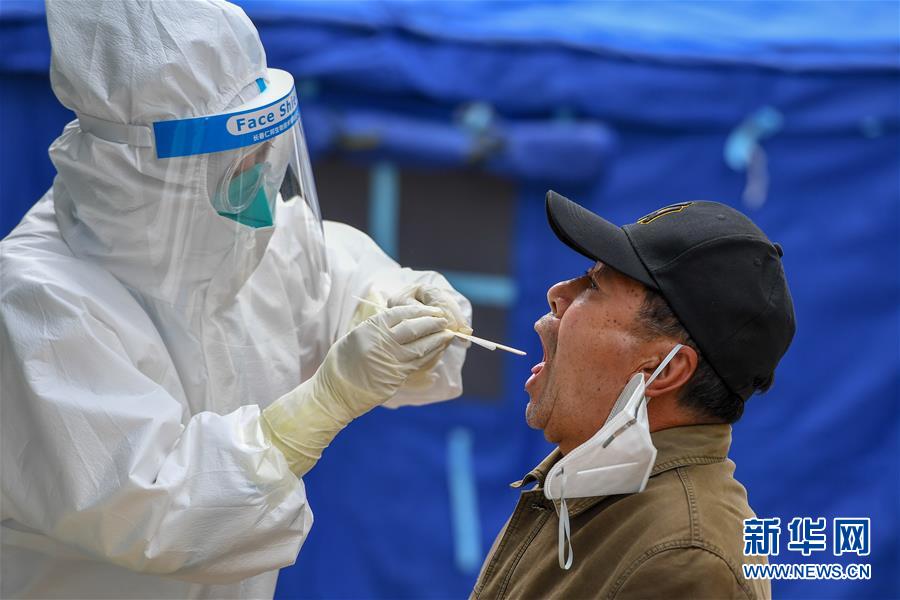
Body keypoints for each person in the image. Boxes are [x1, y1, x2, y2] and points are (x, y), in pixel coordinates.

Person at [0, 1, 471, 598]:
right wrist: (322, 406)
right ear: (151, 171)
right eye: (239, 163)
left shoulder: (233, 237)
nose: (262, 186)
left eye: (268, 152)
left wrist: (395, 300)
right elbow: (156, 515)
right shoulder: (38, 302)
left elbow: (330, 270)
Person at [471, 191, 795, 599]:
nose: (558, 292)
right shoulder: (584, 489)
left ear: (664, 370)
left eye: (593, 284)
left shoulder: (683, 558)